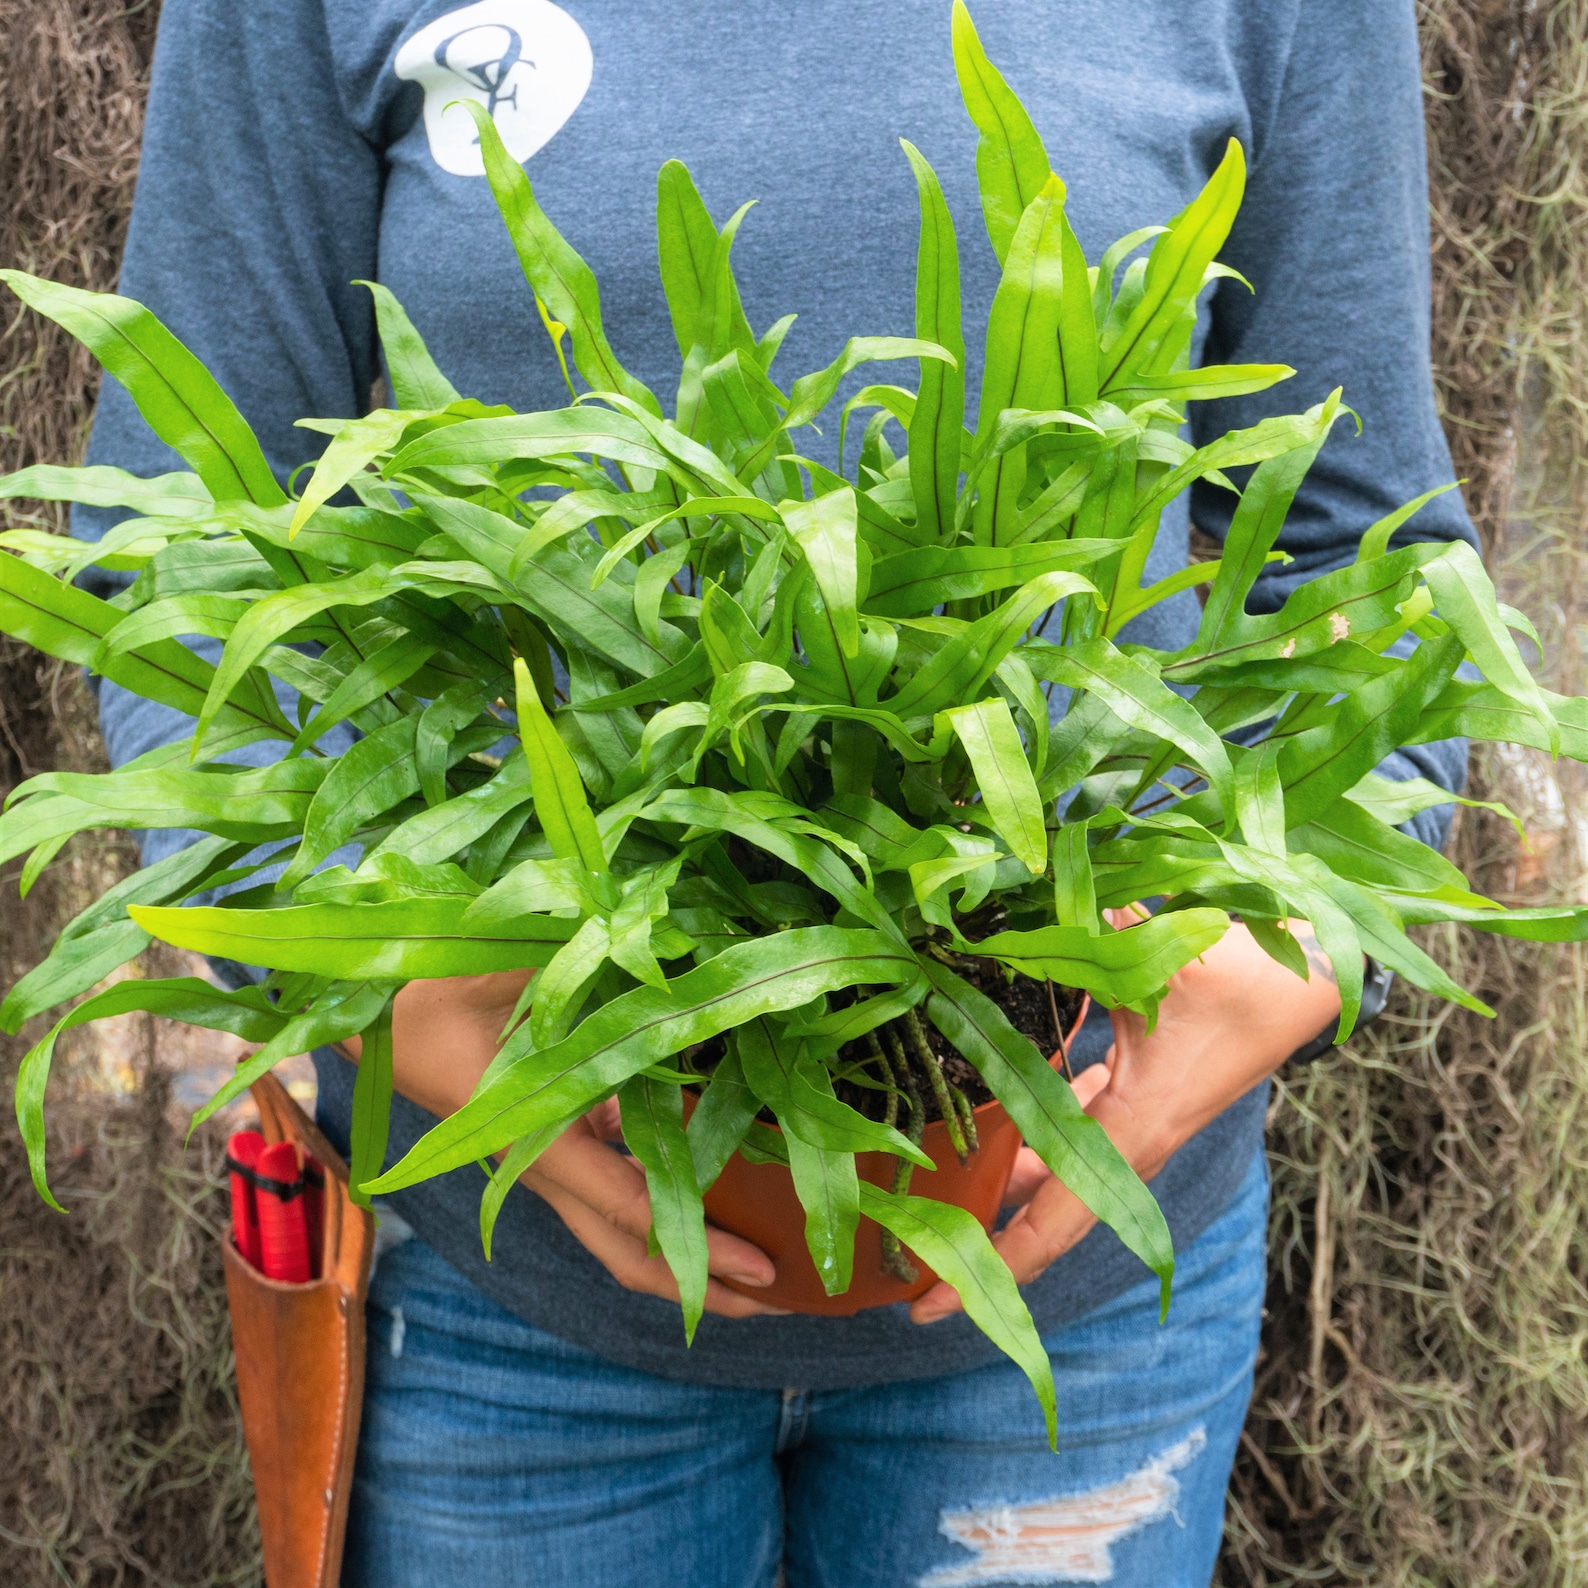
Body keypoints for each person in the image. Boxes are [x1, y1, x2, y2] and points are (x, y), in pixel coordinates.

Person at [75, 0, 1476, 1581]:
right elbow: (175, 558)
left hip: (1068, 1311)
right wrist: (359, 981)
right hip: (499, 1289)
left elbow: (1374, 564)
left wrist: (1289, 948)